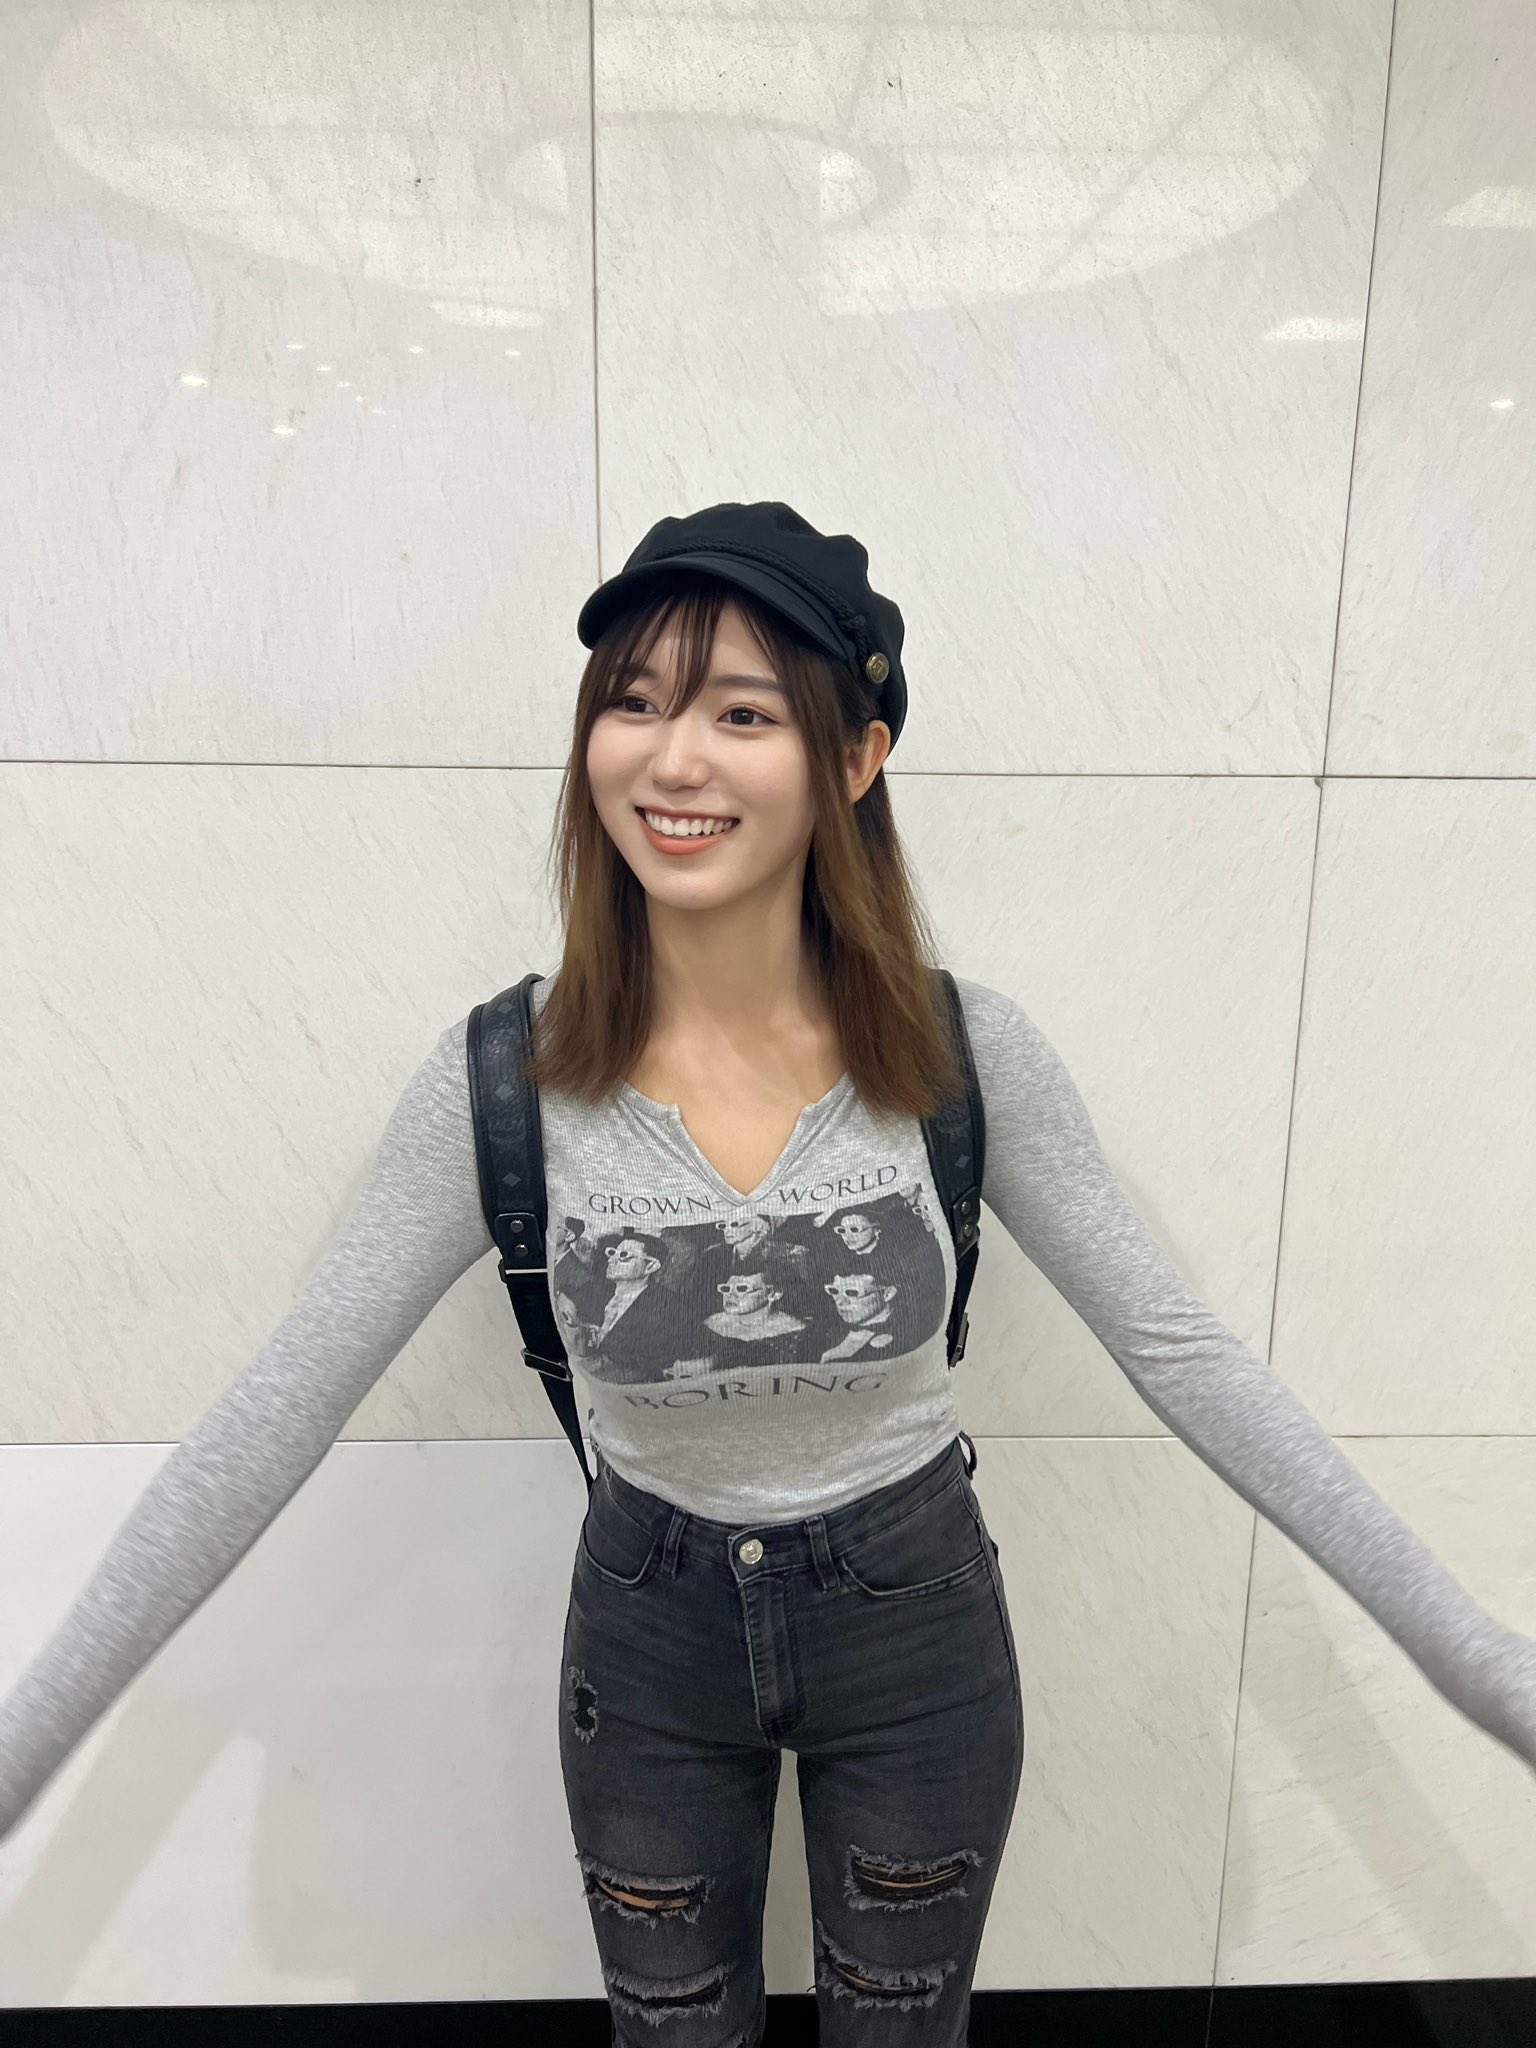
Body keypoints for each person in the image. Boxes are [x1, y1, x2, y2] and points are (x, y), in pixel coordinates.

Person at [1, 501, 1532, 2045]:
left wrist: (1482, 1670)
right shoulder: (505, 1086)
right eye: (635, 702)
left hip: (916, 1631)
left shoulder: (962, 1059)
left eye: (743, 714)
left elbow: (1185, 1356)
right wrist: (25, 1751)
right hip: (648, 1644)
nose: (674, 761)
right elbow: (275, 1410)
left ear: (855, 758)